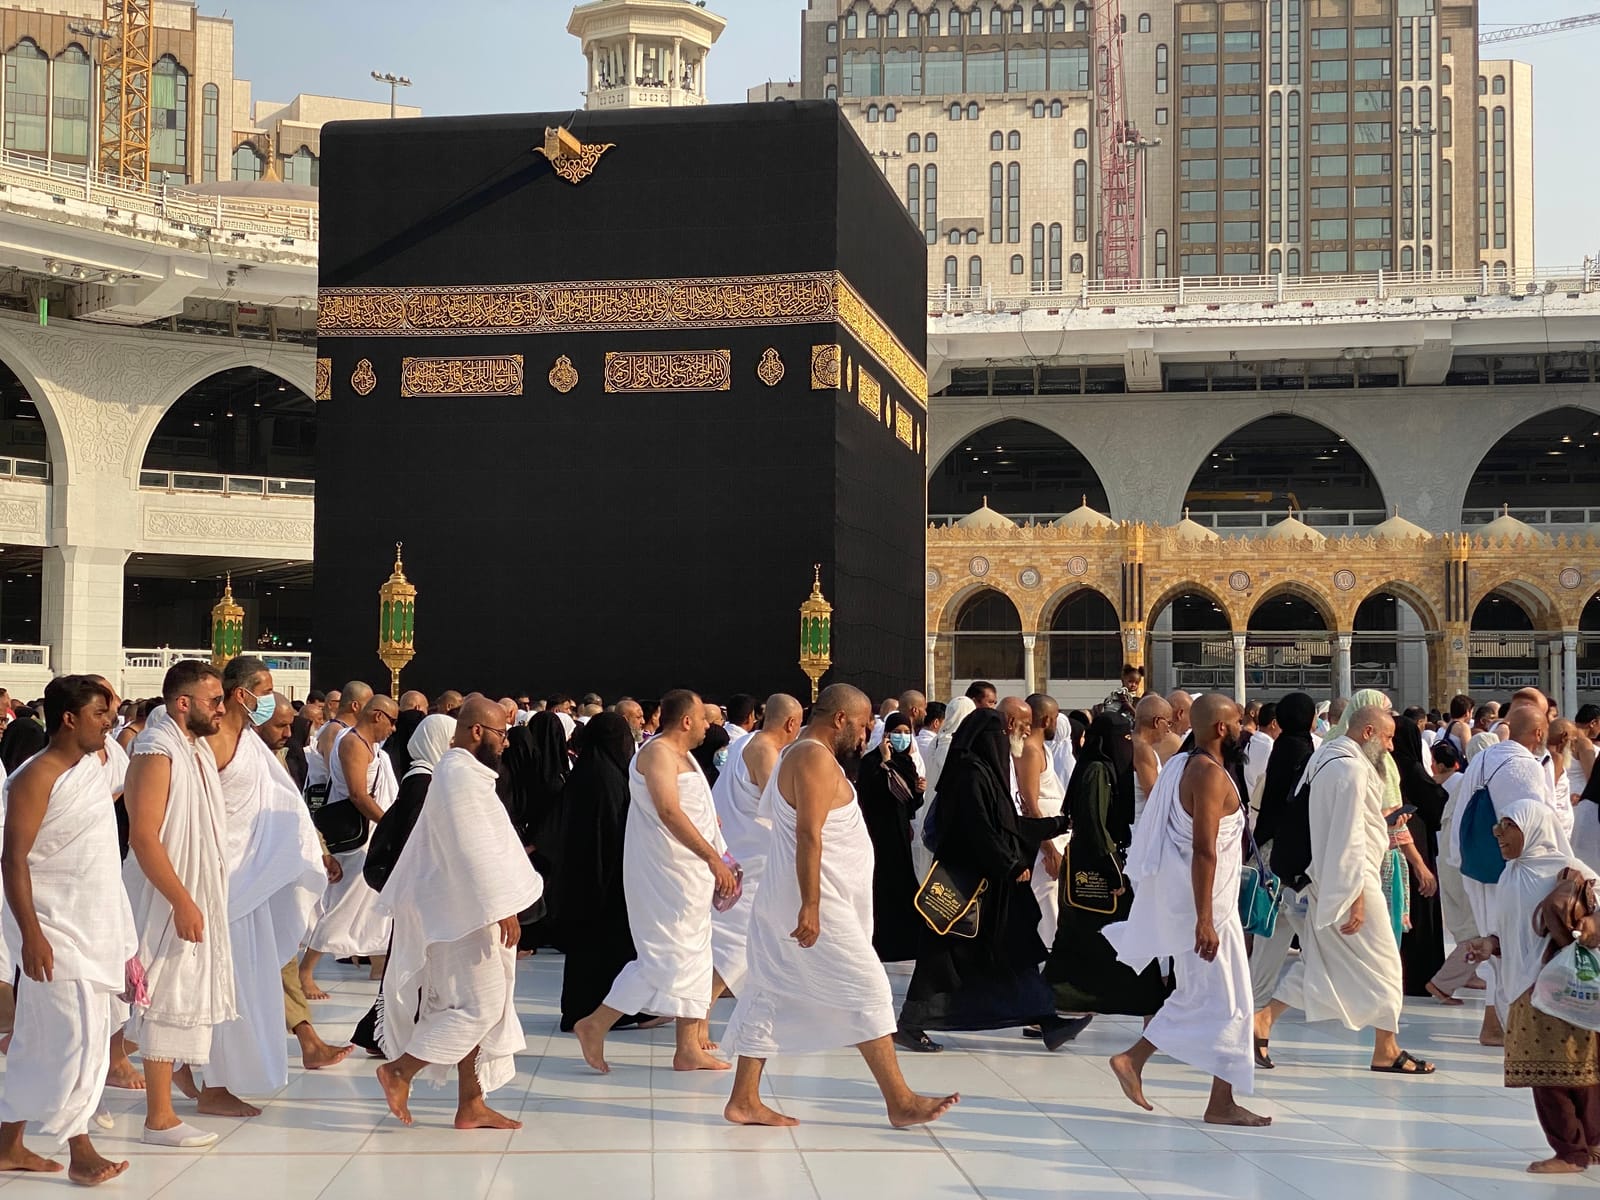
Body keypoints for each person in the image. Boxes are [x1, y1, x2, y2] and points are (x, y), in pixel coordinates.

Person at [720, 684, 960, 1129]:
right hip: (813, 903)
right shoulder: (810, 757)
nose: (869, 731)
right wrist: (810, 906)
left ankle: (744, 1099)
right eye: (864, 722)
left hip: (799, 898)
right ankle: (900, 1100)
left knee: (770, 990)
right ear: (839, 719)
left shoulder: (808, 754)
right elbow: (808, 834)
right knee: (868, 988)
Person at [376, 696, 543, 1129]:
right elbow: (472, 849)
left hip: (464, 909)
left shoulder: (466, 774)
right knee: (480, 1008)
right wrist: (500, 906)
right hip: (463, 913)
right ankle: (399, 1071)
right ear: (476, 732)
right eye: (501, 734)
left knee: (470, 1003)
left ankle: (471, 1102)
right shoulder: (457, 775)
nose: (505, 744)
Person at [1104, 694, 1267, 1127]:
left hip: (1206, 906)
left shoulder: (1182, 763)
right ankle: (1142, 1064)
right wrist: (1205, 919)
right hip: (1209, 908)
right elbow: (1203, 851)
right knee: (1229, 1005)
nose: (1242, 730)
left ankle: (1205, 1092)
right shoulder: (1208, 775)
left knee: (1211, 999)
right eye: (1236, 723)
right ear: (1219, 728)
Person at [0, 675, 136, 1184]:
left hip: (93, 925)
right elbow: (13, 860)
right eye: (100, 714)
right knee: (78, 1038)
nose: (109, 722)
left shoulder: (89, 769)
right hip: (52, 930)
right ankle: (80, 1148)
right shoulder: (37, 777)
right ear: (69, 719)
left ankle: (8, 1143)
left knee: (40, 1039)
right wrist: (31, 934)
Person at [1255, 704, 1433, 1076]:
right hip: (1351, 881)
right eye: (1386, 737)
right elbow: (1347, 836)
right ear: (1367, 732)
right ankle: (1385, 1049)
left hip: (1327, 877)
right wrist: (1353, 898)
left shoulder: (1325, 758)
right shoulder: (1350, 768)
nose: (1388, 746)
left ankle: (1264, 1021)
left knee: (1325, 965)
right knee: (1385, 965)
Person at [896, 709, 1080, 1051]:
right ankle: (910, 1023)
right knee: (943, 957)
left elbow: (1005, 826)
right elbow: (980, 829)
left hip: (987, 887)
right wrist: (1009, 863)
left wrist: (1055, 825)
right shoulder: (969, 774)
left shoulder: (982, 773)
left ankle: (1048, 1020)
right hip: (964, 887)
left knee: (1012, 951)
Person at [190, 657, 327, 1117]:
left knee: (243, 983)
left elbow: (284, 802)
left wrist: (311, 848)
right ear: (239, 692)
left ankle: (215, 1079)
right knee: (207, 984)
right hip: (214, 880)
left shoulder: (250, 742)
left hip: (247, 882)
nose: (267, 699)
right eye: (263, 689)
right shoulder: (207, 741)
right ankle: (208, 1083)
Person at [574, 689, 736, 1074]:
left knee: (696, 954)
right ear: (685, 721)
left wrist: (714, 842)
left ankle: (687, 1047)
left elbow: (694, 809)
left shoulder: (685, 757)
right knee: (665, 957)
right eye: (702, 719)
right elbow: (667, 809)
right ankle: (595, 1023)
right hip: (666, 873)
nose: (707, 726)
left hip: (690, 872)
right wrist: (713, 857)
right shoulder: (658, 753)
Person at [122, 661, 236, 1147]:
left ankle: (158, 1100)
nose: (222, 709)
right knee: (164, 995)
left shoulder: (192, 747)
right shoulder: (155, 749)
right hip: (166, 894)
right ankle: (159, 1118)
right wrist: (182, 901)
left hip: (192, 889)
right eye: (215, 701)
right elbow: (145, 837)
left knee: (174, 993)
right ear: (182, 703)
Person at [1464, 800, 1600, 1174]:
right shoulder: (1510, 876)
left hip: (1563, 986)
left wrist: (1591, 927)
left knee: (1568, 1070)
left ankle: (1574, 1152)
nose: (1498, 835)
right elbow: (1512, 933)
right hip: (1525, 988)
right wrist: (1489, 944)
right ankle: (1582, 1146)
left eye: (1507, 826)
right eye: (1497, 828)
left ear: (1534, 827)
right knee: (1552, 1072)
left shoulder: (1570, 872)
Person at [1045, 709, 1169, 1019]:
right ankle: (1051, 1003)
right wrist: (1115, 873)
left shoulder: (1105, 769)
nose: (1127, 744)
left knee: (1102, 940)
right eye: (1123, 738)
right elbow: (1094, 827)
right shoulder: (1097, 771)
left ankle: (1143, 1002)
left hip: (1100, 867)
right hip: (1093, 870)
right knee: (1092, 940)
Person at [253, 692, 352, 1071]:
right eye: (279, 725)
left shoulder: (278, 757)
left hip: (266, 876)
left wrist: (320, 849)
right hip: (236, 878)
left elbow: (293, 809)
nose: (287, 733)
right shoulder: (231, 754)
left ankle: (309, 1041)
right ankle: (119, 1051)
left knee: (279, 957)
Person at [1454, 703, 1553, 1044]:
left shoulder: (1483, 757)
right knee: (1514, 950)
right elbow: (1534, 822)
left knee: (1493, 947)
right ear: (1538, 733)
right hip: (1511, 872)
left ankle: (1493, 1026)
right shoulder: (1526, 766)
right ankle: (1515, 1029)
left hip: (1475, 867)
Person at [554, 712, 658, 1032]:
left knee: (589, 951)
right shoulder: (607, 779)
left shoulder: (588, 772)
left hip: (584, 880)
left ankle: (586, 1010)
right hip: (606, 881)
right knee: (605, 946)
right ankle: (602, 1012)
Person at [299, 695, 401, 1000]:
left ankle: (378, 964)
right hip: (358, 838)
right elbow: (358, 794)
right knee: (344, 905)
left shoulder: (371, 746)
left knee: (376, 902)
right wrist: (389, 824)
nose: (394, 729)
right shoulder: (353, 743)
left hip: (372, 835)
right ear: (377, 716)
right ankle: (305, 971)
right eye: (392, 721)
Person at [710, 695, 803, 997]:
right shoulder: (764, 751)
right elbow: (780, 807)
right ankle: (698, 1017)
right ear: (791, 723)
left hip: (737, 850)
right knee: (736, 943)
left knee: (738, 936)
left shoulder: (743, 742)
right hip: (752, 859)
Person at [1247, 693, 1319, 1035]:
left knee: (1269, 944)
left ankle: (1250, 1016)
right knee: (1323, 951)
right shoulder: (1303, 754)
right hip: (1292, 864)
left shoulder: (1282, 749)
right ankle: (1261, 1017)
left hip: (1272, 858)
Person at [856, 711, 925, 964]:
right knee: (882, 884)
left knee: (902, 882)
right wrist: (886, 762)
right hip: (878, 832)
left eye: (907, 733)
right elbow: (873, 792)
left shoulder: (906, 762)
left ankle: (906, 942)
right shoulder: (871, 762)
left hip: (900, 832)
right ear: (886, 735)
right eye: (898, 732)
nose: (902, 738)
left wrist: (918, 793)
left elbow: (908, 802)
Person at [1392, 715, 1448, 996]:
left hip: (1401, 842)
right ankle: (1421, 976)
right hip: (1416, 842)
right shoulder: (1411, 766)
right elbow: (1436, 801)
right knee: (1421, 904)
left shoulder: (1389, 765)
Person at [1015, 694, 1067, 950]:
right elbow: (1030, 805)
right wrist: (1049, 849)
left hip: (1053, 837)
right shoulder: (1030, 751)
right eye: (1055, 718)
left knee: (1053, 906)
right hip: (1043, 846)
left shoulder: (1040, 749)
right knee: (1046, 908)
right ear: (1046, 719)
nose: (1056, 723)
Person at [1131, 694, 1172, 831]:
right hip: (1140, 830)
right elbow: (1154, 798)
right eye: (1168, 723)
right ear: (1156, 722)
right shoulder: (1143, 750)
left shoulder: (1129, 741)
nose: (1168, 730)